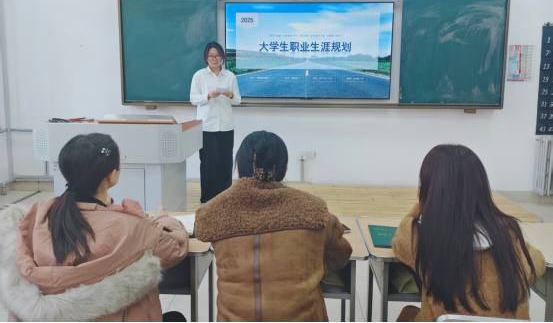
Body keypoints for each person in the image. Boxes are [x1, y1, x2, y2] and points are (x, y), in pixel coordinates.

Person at [0, 133, 189, 322]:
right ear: (112, 175)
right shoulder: (131, 226)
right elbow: (175, 247)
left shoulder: (38, 213)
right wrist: (163, 220)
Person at [195, 131, 353, 322]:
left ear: (237, 168)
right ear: (284, 170)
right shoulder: (314, 209)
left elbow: (201, 231)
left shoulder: (215, 211)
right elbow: (340, 256)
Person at [392, 144, 547, 322]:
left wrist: (422, 204)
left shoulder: (422, 236)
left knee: (407, 315)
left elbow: (399, 243)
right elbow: (538, 264)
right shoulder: (508, 235)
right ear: (481, 191)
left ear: (429, 191)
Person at [190, 41, 241, 204]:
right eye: (211, 56)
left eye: (218, 56)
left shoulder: (230, 76)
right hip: (206, 126)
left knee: (225, 162)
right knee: (207, 163)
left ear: (222, 58)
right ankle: (207, 199)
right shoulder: (199, 75)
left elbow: (238, 100)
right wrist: (207, 96)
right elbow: (193, 99)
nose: (214, 59)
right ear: (206, 58)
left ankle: (225, 198)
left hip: (226, 126)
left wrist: (230, 95)